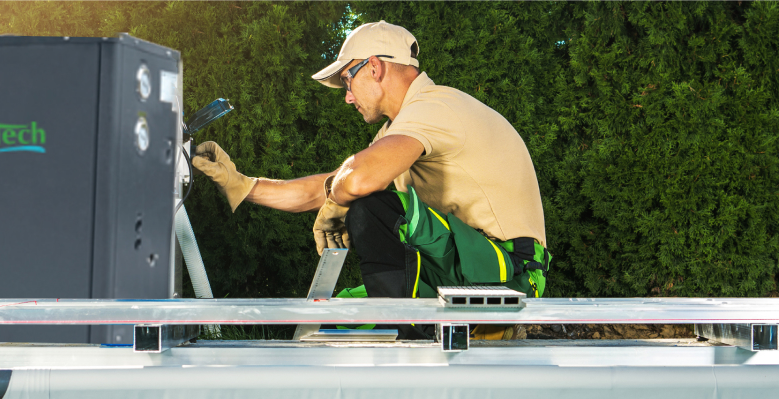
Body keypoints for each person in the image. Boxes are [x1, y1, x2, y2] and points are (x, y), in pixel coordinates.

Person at [190, 21, 548, 340]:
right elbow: (333, 183)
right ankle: (408, 328)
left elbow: (357, 181)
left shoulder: (435, 107)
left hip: (509, 272)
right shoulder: (402, 128)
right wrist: (240, 183)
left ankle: (414, 334)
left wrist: (342, 199)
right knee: (335, 317)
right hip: (466, 265)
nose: (347, 96)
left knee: (370, 208)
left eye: (348, 79)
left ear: (374, 67)